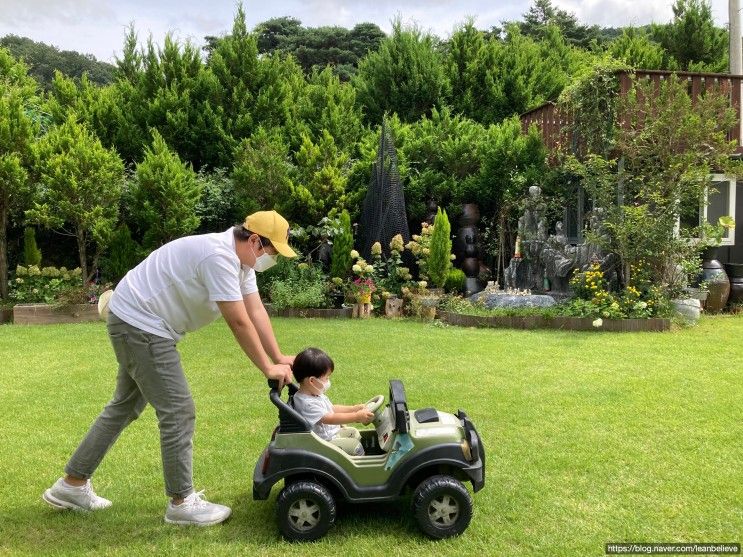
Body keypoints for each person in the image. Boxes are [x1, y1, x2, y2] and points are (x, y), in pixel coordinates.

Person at [42, 210, 297, 526]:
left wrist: (278, 356)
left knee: (124, 407)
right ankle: (182, 503)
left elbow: (255, 310)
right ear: (255, 241)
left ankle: (72, 485)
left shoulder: (243, 263)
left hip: (136, 320)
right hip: (142, 326)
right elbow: (238, 321)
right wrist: (266, 368)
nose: (270, 260)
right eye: (271, 252)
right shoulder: (218, 257)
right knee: (178, 410)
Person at [291, 348, 374, 456]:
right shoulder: (307, 404)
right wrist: (356, 416)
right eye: (326, 378)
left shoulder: (314, 394)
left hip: (331, 435)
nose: (328, 382)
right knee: (355, 446)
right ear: (312, 381)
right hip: (324, 443)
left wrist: (353, 408)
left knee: (354, 433)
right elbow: (330, 418)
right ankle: (358, 470)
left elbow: (332, 408)